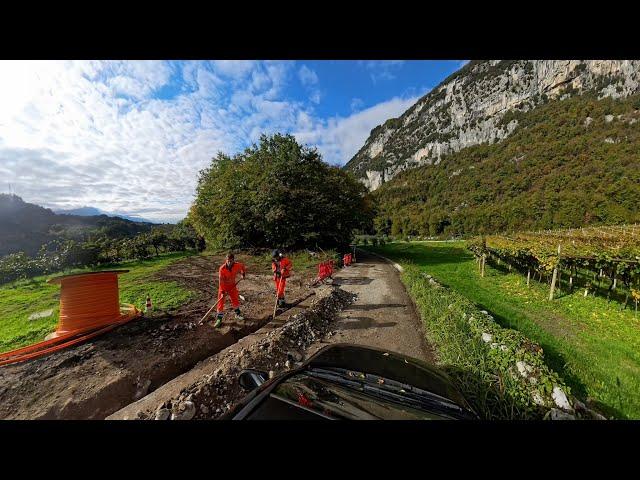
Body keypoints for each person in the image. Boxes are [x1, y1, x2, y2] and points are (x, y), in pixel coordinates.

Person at [215, 252, 246, 328]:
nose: (229, 262)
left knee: (235, 299)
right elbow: (221, 281)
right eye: (228, 261)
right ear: (226, 260)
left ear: (233, 260)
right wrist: (222, 291)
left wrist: (243, 274)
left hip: (232, 286)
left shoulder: (237, 265)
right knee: (220, 301)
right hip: (223, 287)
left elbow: (242, 267)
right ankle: (219, 318)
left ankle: (237, 314)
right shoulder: (222, 269)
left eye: (231, 261)